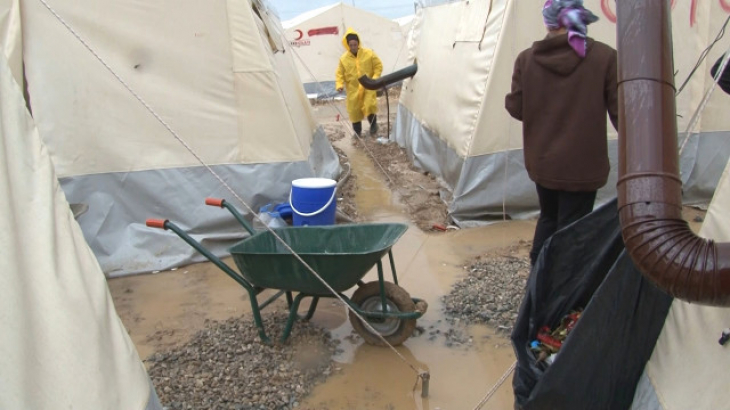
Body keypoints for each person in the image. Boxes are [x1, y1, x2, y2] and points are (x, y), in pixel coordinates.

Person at [504, 0, 618, 267]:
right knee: (574, 227)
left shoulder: (526, 59)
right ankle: (564, 292)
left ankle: (539, 278)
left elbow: (516, 108)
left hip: (543, 161)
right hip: (584, 166)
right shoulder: (605, 57)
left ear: (548, 22)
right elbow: (620, 114)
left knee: (548, 217)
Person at [335, 28, 383, 137]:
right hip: (353, 89)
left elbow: (378, 66)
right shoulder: (343, 59)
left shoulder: (369, 53)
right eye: (350, 45)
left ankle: (374, 126)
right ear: (347, 45)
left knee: (369, 105)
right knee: (354, 111)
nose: (353, 47)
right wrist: (339, 84)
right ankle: (357, 132)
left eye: (355, 44)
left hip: (368, 86)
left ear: (358, 43)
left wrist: (375, 79)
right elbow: (339, 73)